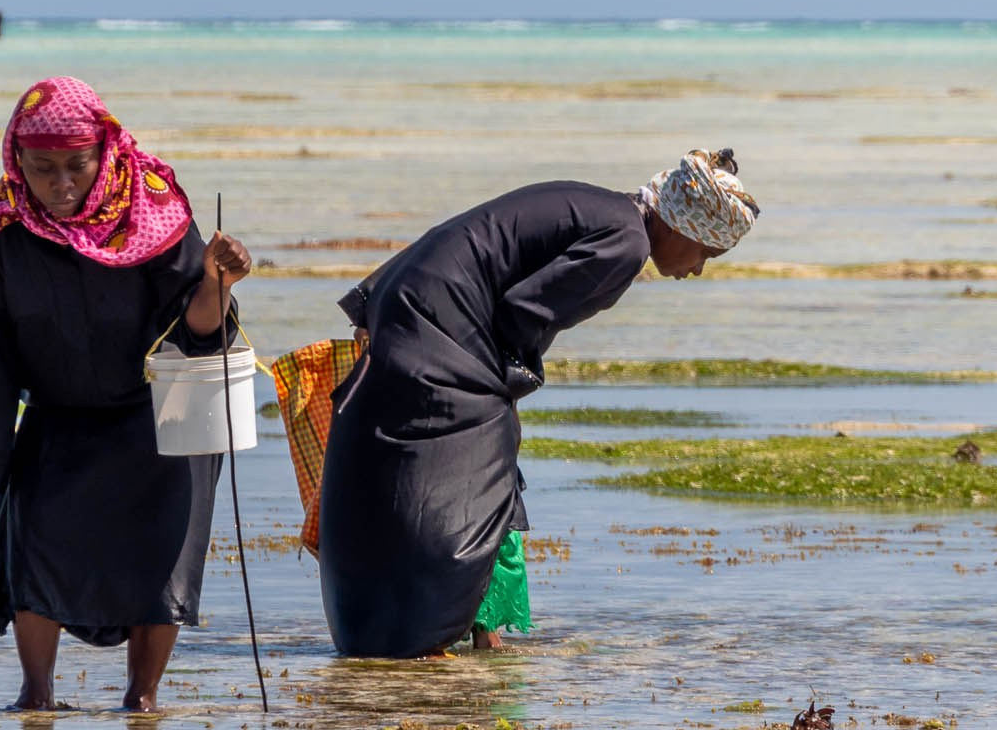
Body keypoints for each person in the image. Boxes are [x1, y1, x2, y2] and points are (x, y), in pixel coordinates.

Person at [317, 148, 760, 658]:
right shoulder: (628, 243)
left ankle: (479, 627)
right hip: (439, 319)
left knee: (485, 460)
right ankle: (444, 628)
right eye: (706, 253)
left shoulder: (610, 210)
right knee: (481, 469)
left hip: (410, 295)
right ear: (684, 226)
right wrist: (509, 384)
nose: (698, 269)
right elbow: (522, 314)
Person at [0, 77, 253, 711]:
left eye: (76, 166)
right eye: (43, 169)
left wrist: (218, 283)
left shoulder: (155, 209)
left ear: (104, 153)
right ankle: (36, 695)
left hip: (160, 419)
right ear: (17, 160)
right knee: (38, 551)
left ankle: (142, 698)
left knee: (161, 564)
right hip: (58, 417)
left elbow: (199, 333)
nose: (62, 184)